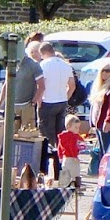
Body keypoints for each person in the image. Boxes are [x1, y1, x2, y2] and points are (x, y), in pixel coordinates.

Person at [35, 42, 75, 174]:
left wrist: (38, 101)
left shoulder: (43, 65)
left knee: (46, 136)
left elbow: (41, 86)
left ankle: (45, 169)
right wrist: (65, 97)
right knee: (59, 136)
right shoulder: (65, 65)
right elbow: (72, 86)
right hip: (61, 102)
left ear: (42, 53)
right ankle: (59, 168)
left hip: (47, 102)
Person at [87, 64, 110, 173]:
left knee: (107, 149)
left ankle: (108, 171)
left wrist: (108, 121)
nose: (105, 73)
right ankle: (103, 170)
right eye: (103, 71)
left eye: (108, 71)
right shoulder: (100, 85)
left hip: (107, 124)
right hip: (98, 123)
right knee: (102, 150)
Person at [12, 39, 43, 134]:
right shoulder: (12, 64)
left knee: (28, 134)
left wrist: (33, 102)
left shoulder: (33, 65)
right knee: (12, 133)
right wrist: (0, 104)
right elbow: (6, 84)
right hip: (13, 105)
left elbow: (41, 86)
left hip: (27, 105)